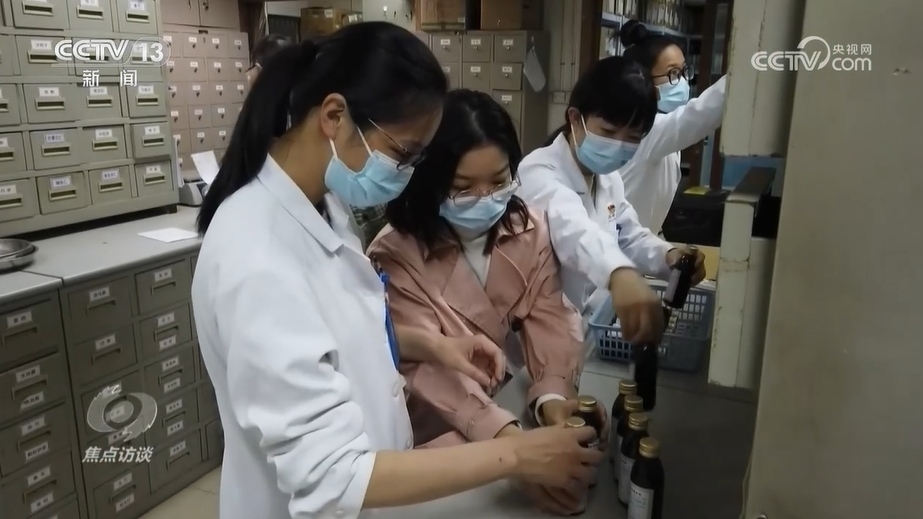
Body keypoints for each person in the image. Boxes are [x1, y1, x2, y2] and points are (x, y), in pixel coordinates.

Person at [191, 22, 601, 519]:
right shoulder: (257, 258)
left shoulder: (322, 208)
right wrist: (515, 455)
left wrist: (429, 344)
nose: (407, 174)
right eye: (403, 154)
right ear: (334, 116)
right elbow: (331, 479)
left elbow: (334, 339)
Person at [368, 89, 603, 515]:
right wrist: (513, 447)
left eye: (499, 182)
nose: (485, 198)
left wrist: (553, 400)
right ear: (428, 181)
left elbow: (550, 318)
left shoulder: (527, 228)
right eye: (463, 189)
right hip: (431, 432)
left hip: (500, 409)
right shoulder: (396, 253)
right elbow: (428, 369)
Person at [517, 56, 706, 345]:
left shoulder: (607, 177)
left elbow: (628, 235)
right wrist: (619, 273)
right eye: (608, 132)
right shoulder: (538, 173)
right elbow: (574, 231)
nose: (619, 145)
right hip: (531, 340)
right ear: (575, 119)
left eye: (632, 137)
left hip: (578, 327)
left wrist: (668, 256)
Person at [619, 19, 729, 232]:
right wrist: (750, 66)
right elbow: (701, 114)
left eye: (684, 72)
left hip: (637, 241)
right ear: (643, 79)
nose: (683, 82)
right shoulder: (645, 129)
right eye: (673, 74)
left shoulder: (662, 128)